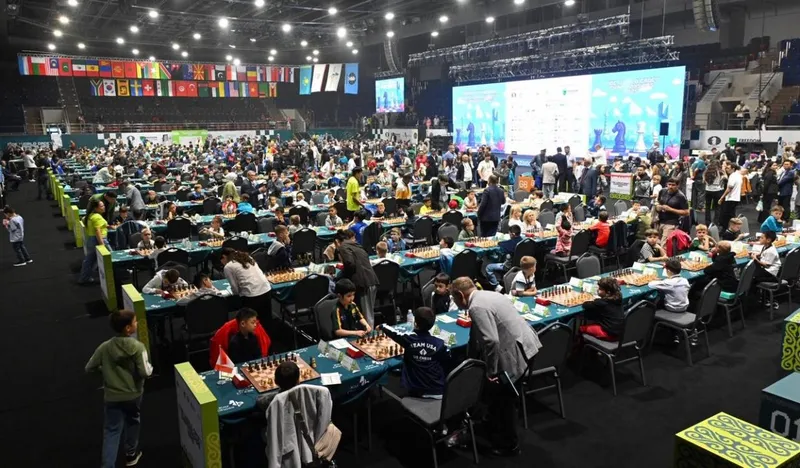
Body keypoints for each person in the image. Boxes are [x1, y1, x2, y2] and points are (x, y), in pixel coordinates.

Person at [450, 277, 542, 456]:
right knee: (500, 398)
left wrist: (491, 372)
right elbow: (476, 333)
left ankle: (508, 444)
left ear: (460, 295)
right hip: (526, 343)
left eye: (454, 298)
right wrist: (471, 356)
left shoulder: (476, 307)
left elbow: (491, 341)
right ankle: (493, 425)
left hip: (513, 354)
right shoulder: (490, 294)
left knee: (504, 400)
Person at [85, 309, 152, 468]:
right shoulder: (138, 347)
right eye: (135, 322)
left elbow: (89, 368)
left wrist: (105, 372)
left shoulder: (105, 347)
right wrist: (150, 368)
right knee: (133, 422)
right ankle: (131, 454)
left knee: (111, 431)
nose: (137, 323)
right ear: (128, 328)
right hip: (133, 395)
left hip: (112, 396)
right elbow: (145, 372)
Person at [381, 307, 449, 398]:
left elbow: (394, 333)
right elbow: (446, 358)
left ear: (415, 323)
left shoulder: (409, 339)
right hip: (439, 392)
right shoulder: (440, 343)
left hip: (417, 392)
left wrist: (382, 326)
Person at [337, 230, 380, 326]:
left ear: (337, 241)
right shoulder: (357, 245)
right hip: (371, 280)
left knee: (366, 316)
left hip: (363, 284)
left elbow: (350, 263)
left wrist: (344, 274)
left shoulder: (343, 247)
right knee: (368, 313)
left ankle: (369, 334)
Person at [221, 248, 273, 323]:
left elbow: (235, 290)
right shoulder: (248, 257)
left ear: (224, 257)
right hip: (266, 289)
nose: (222, 264)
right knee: (266, 320)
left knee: (250, 322)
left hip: (252, 296)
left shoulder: (228, 266)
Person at [648, 258, 691, 327]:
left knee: (655, 300)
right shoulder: (685, 280)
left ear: (668, 271)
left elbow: (651, 285)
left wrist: (656, 280)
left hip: (672, 309)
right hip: (684, 307)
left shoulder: (668, 283)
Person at [79, 198, 110, 284]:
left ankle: (84, 278)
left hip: (91, 239)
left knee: (90, 260)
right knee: (109, 258)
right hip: (99, 239)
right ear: (96, 208)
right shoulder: (97, 217)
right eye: (101, 206)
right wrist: (102, 245)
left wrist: (107, 226)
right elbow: (97, 231)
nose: (104, 207)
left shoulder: (89, 216)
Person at [485, 225, 523, 292]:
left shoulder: (511, 243)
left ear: (513, 234)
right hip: (521, 264)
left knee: (488, 267)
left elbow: (501, 243)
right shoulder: (522, 241)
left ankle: (497, 287)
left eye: (509, 234)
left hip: (509, 266)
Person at [654, 177, 690, 246]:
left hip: (671, 223)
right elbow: (658, 201)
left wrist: (671, 209)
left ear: (677, 185)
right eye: (669, 184)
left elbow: (687, 212)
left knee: (664, 245)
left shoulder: (681, 196)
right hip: (659, 220)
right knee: (656, 243)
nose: (670, 187)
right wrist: (658, 206)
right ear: (667, 184)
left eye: (673, 185)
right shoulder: (662, 191)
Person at [751, 230, 782, 297]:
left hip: (771, 273)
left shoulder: (771, 251)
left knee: (752, 277)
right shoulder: (766, 246)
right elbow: (763, 253)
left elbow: (766, 265)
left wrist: (755, 259)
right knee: (752, 273)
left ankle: (753, 296)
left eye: (762, 238)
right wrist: (757, 255)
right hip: (767, 269)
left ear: (768, 240)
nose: (759, 239)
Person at [718, 162, 742, 231]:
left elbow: (729, 189)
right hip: (736, 198)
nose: (727, 169)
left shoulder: (732, 176)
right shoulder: (738, 175)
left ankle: (726, 230)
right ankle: (733, 229)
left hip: (731, 198)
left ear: (733, 169)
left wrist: (721, 198)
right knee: (731, 215)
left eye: (728, 168)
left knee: (726, 216)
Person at [704, 160, 724, 226]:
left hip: (708, 190)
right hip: (718, 190)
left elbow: (703, 180)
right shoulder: (720, 171)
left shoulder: (706, 171)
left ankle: (707, 222)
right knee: (717, 207)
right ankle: (716, 222)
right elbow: (725, 178)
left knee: (707, 207)